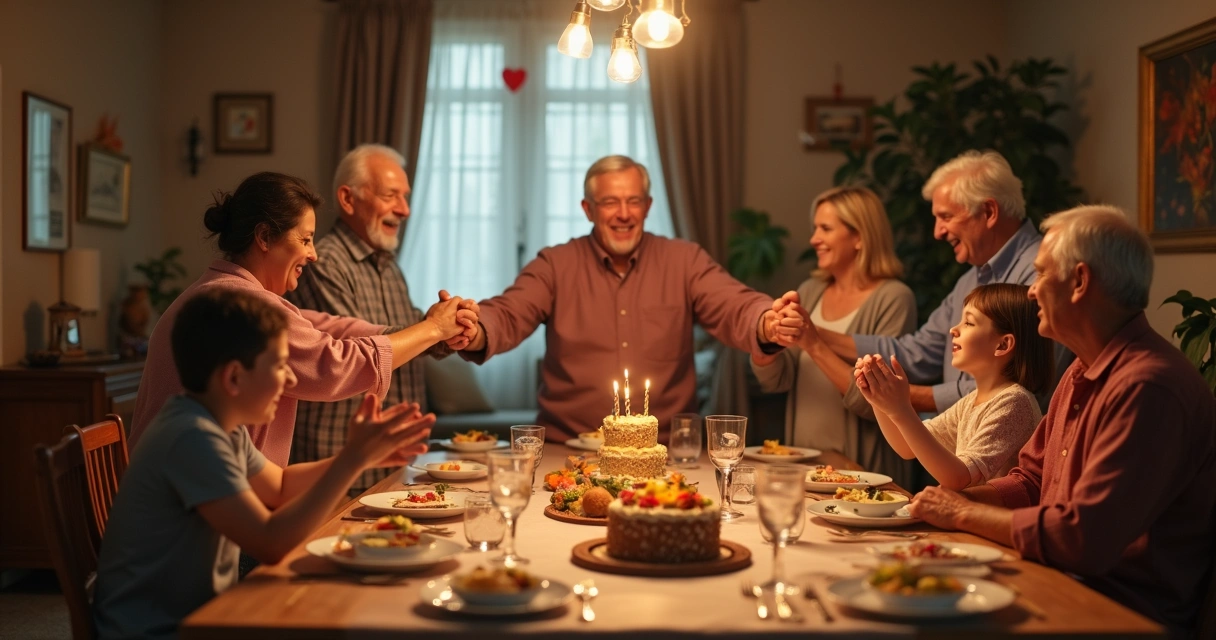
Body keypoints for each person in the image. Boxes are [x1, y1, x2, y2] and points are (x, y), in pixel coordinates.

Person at [907, 206, 1216, 634]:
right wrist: (950, 503)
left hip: (1116, 611)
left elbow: (1082, 538)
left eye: (1040, 274)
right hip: (1057, 578)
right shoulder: (1079, 369)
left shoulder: (1148, 386)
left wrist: (961, 514)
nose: (1031, 291)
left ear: (1080, 282)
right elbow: (1031, 480)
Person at [93, 290, 434, 640]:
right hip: (160, 630)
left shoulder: (217, 426)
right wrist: (352, 460)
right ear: (234, 377)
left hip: (202, 615)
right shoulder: (191, 437)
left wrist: (361, 457)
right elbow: (271, 544)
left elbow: (282, 485)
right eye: (280, 366)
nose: (289, 381)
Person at [130, 172, 475, 466]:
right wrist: (432, 329)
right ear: (264, 237)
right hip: (194, 515)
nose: (313, 253)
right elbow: (334, 363)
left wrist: (432, 332)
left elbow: (330, 327)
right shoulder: (239, 303)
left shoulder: (227, 291)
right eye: (306, 239)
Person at [458, 155, 803, 441]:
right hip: (569, 450)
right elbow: (509, 311)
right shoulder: (554, 263)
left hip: (666, 451)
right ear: (588, 209)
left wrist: (765, 321)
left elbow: (732, 303)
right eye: (610, 202)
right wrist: (475, 329)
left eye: (633, 201)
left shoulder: (684, 260)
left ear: (648, 206)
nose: (623, 213)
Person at [798, 150, 1071, 414]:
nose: (938, 232)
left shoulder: (1042, 272)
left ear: (988, 212)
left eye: (946, 217)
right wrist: (810, 331)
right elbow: (918, 354)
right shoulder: (969, 281)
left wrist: (903, 398)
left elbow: (1022, 388)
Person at [286, 144, 474, 496]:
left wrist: (454, 328)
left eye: (405, 197)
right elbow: (359, 353)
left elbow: (409, 334)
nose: (404, 210)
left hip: (384, 460)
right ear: (347, 198)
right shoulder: (324, 262)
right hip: (338, 457)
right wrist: (435, 328)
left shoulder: (388, 265)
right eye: (391, 196)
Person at [750, 186, 918, 487]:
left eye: (825, 229)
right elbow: (775, 381)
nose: (814, 239)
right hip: (804, 468)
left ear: (860, 237)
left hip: (864, 470)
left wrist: (814, 343)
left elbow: (877, 403)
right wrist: (765, 342)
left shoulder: (894, 298)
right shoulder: (810, 291)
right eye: (815, 228)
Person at [855, 283, 1051, 490]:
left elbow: (959, 478)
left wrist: (901, 408)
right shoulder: (971, 402)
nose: (953, 329)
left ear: (1002, 345)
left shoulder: (1014, 403)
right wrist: (878, 398)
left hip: (995, 522)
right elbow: (906, 447)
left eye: (969, 322)